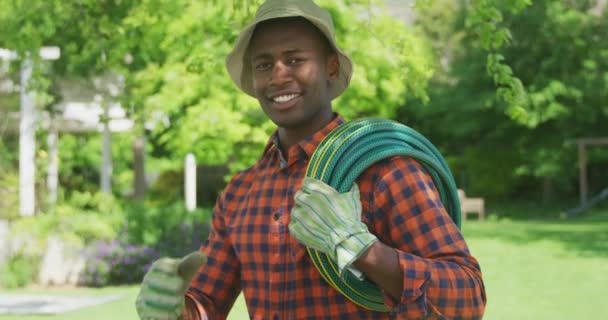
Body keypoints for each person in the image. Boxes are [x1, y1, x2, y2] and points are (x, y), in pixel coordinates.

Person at [136, 0, 486, 319]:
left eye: (294, 59)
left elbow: (468, 299)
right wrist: (173, 307)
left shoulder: (384, 171)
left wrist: (357, 245)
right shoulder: (240, 194)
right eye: (264, 64)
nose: (278, 76)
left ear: (331, 67)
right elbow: (205, 306)